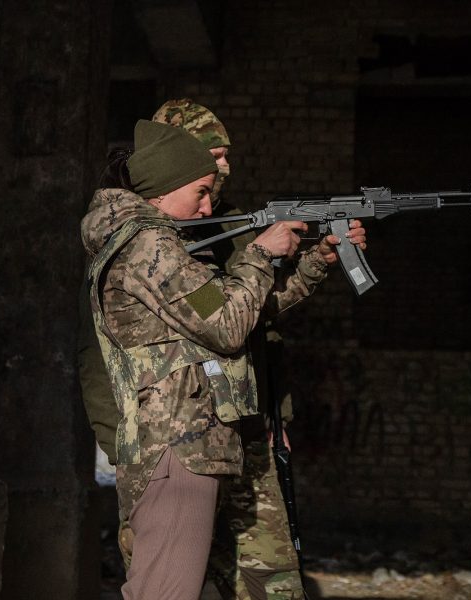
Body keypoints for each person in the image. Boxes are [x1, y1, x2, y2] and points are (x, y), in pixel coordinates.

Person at [80, 119, 365, 600]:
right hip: (175, 447)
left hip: (188, 443)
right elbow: (227, 326)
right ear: (163, 190)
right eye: (200, 192)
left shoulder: (156, 241)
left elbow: (230, 307)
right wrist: (258, 250)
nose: (209, 206)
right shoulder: (148, 245)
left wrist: (313, 264)